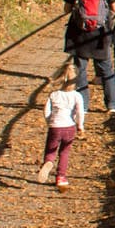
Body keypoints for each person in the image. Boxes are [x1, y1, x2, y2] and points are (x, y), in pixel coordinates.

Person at [63, 0, 115, 112]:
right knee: (106, 70)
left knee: (80, 71)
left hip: (79, 36)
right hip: (100, 36)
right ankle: (112, 104)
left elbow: (66, 10)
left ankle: (83, 106)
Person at [38, 62, 86, 190]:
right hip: (69, 127)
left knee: (51, 149)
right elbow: (80, 112)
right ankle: (61, 177)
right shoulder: (77, 96)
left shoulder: (54, 94)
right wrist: (80, 126)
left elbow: (46, 110)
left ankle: (48, 162)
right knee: (64, 152)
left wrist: (49, 121)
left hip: (55, 126)